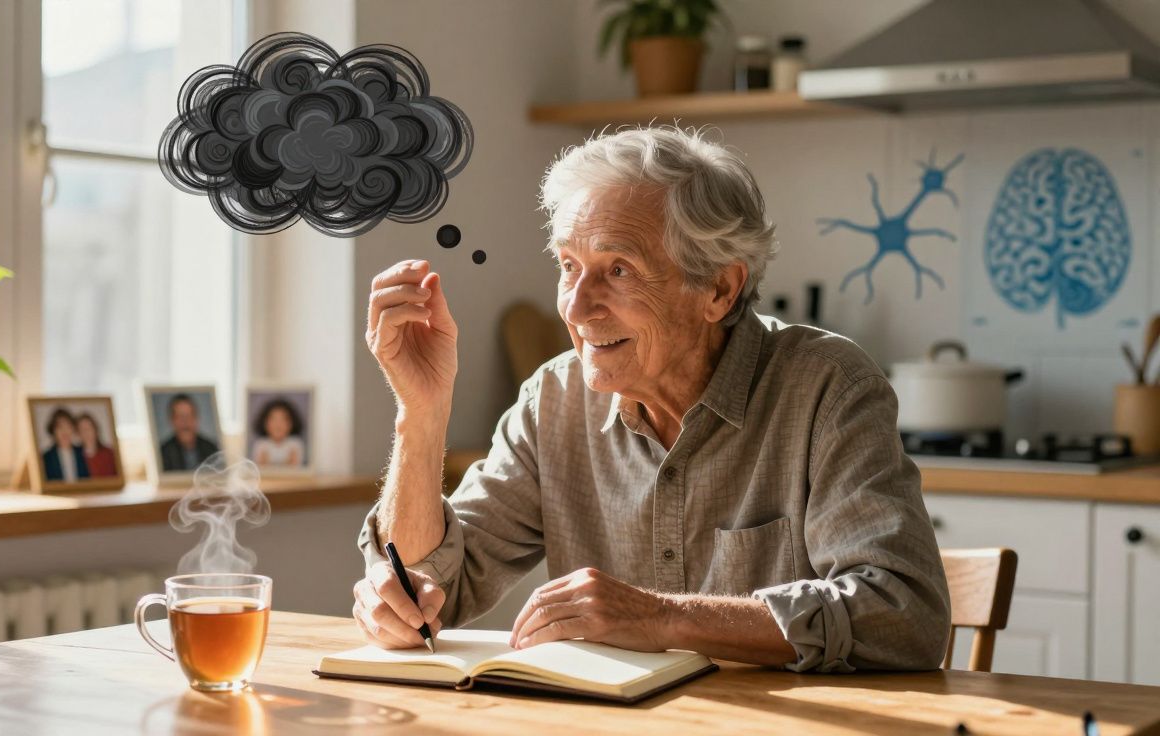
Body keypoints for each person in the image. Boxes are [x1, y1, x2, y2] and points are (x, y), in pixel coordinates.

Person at [352, 126, 951, 673]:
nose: (577, 308)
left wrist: (663, 617)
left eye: (618, 270)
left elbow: (904, 615)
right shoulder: (552, 400)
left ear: (719, 289)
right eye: (569, 265)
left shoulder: (828, 388)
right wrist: (421, 413)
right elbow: (438, 586)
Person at [158, 394, 220, 472]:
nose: (185, 422)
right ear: (172, 420)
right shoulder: (163, 453)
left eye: (189, 416)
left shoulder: (211, 449)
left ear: (196, 419)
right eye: (180, 416)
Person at [250, 398, 306, 468]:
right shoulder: (261, 444)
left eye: (283, 420)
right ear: (265, 423)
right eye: (273, 419)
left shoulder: (295, 444)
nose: (278, 425)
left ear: (291, 424)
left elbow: (295, 469)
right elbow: (260, 469)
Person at [42, 407, 88, 483]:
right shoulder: (46, 458)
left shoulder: (83, 452)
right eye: (60, 427)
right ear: (53, 431)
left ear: (73, 429)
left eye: (68, 426)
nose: (64, 431)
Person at [77, 411, 118, 478]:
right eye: (82, 429)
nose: (86, 432)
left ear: (95, 430)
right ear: (78, 433)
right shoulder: (76, 457)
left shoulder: (109, 454)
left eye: (89, 428)